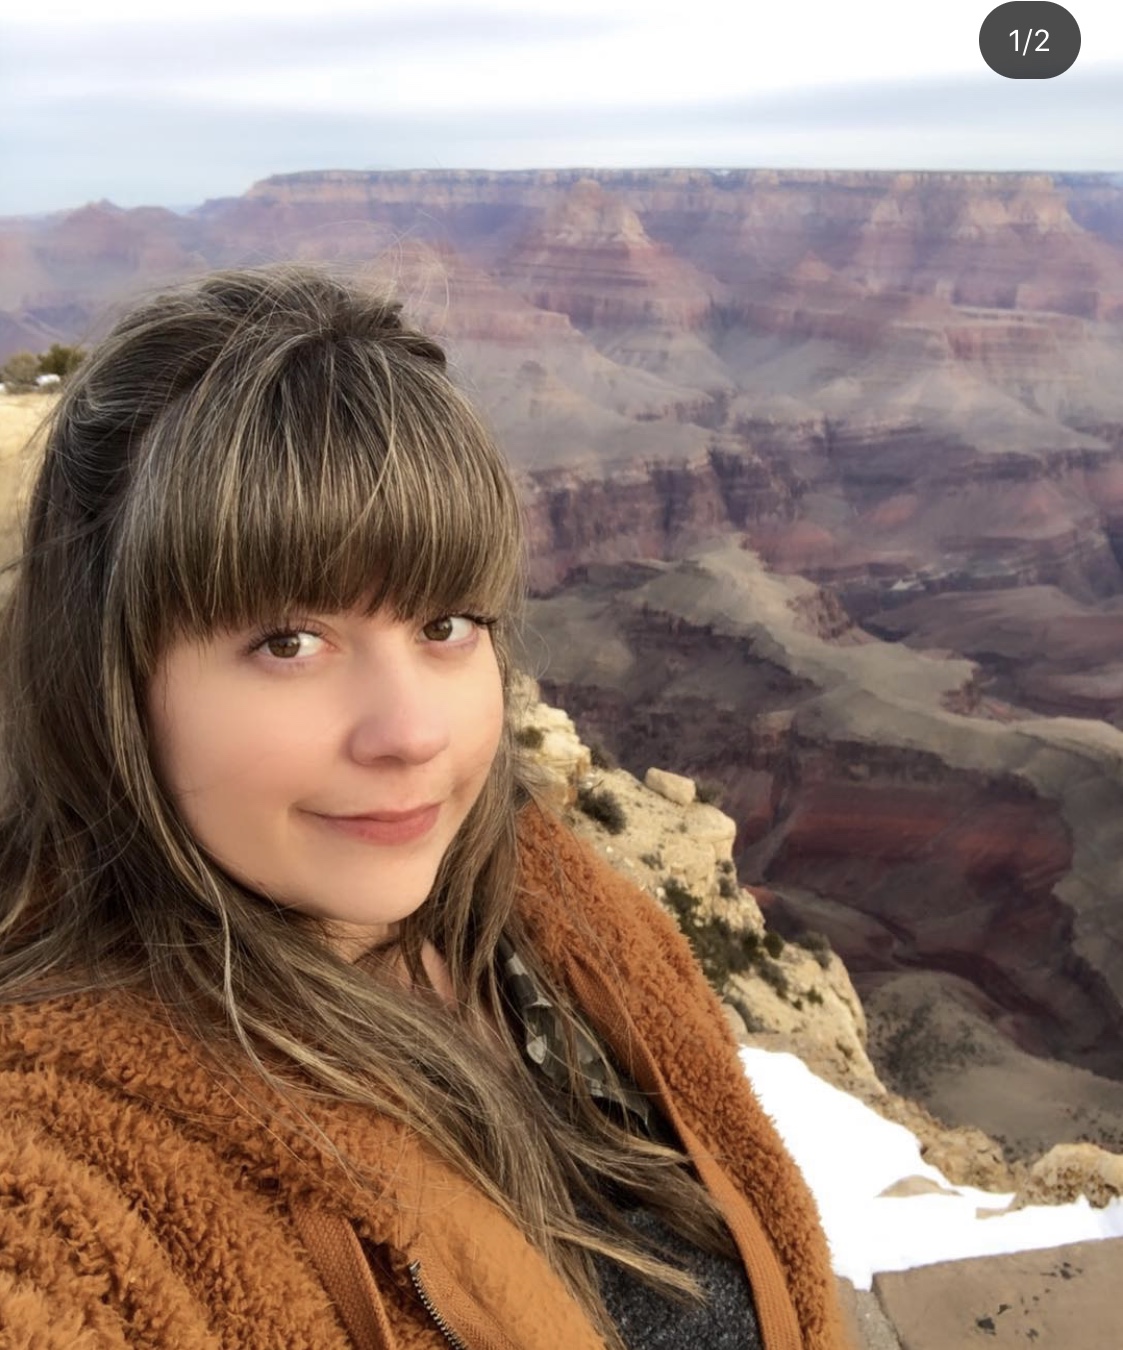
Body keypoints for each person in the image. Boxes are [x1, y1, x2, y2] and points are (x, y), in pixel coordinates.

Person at [0, 265, 850, 1350]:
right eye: (288, 641)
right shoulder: (77, 1151)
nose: (412, 734)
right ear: (105, 682)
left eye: (446, 623)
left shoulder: (554, 906)